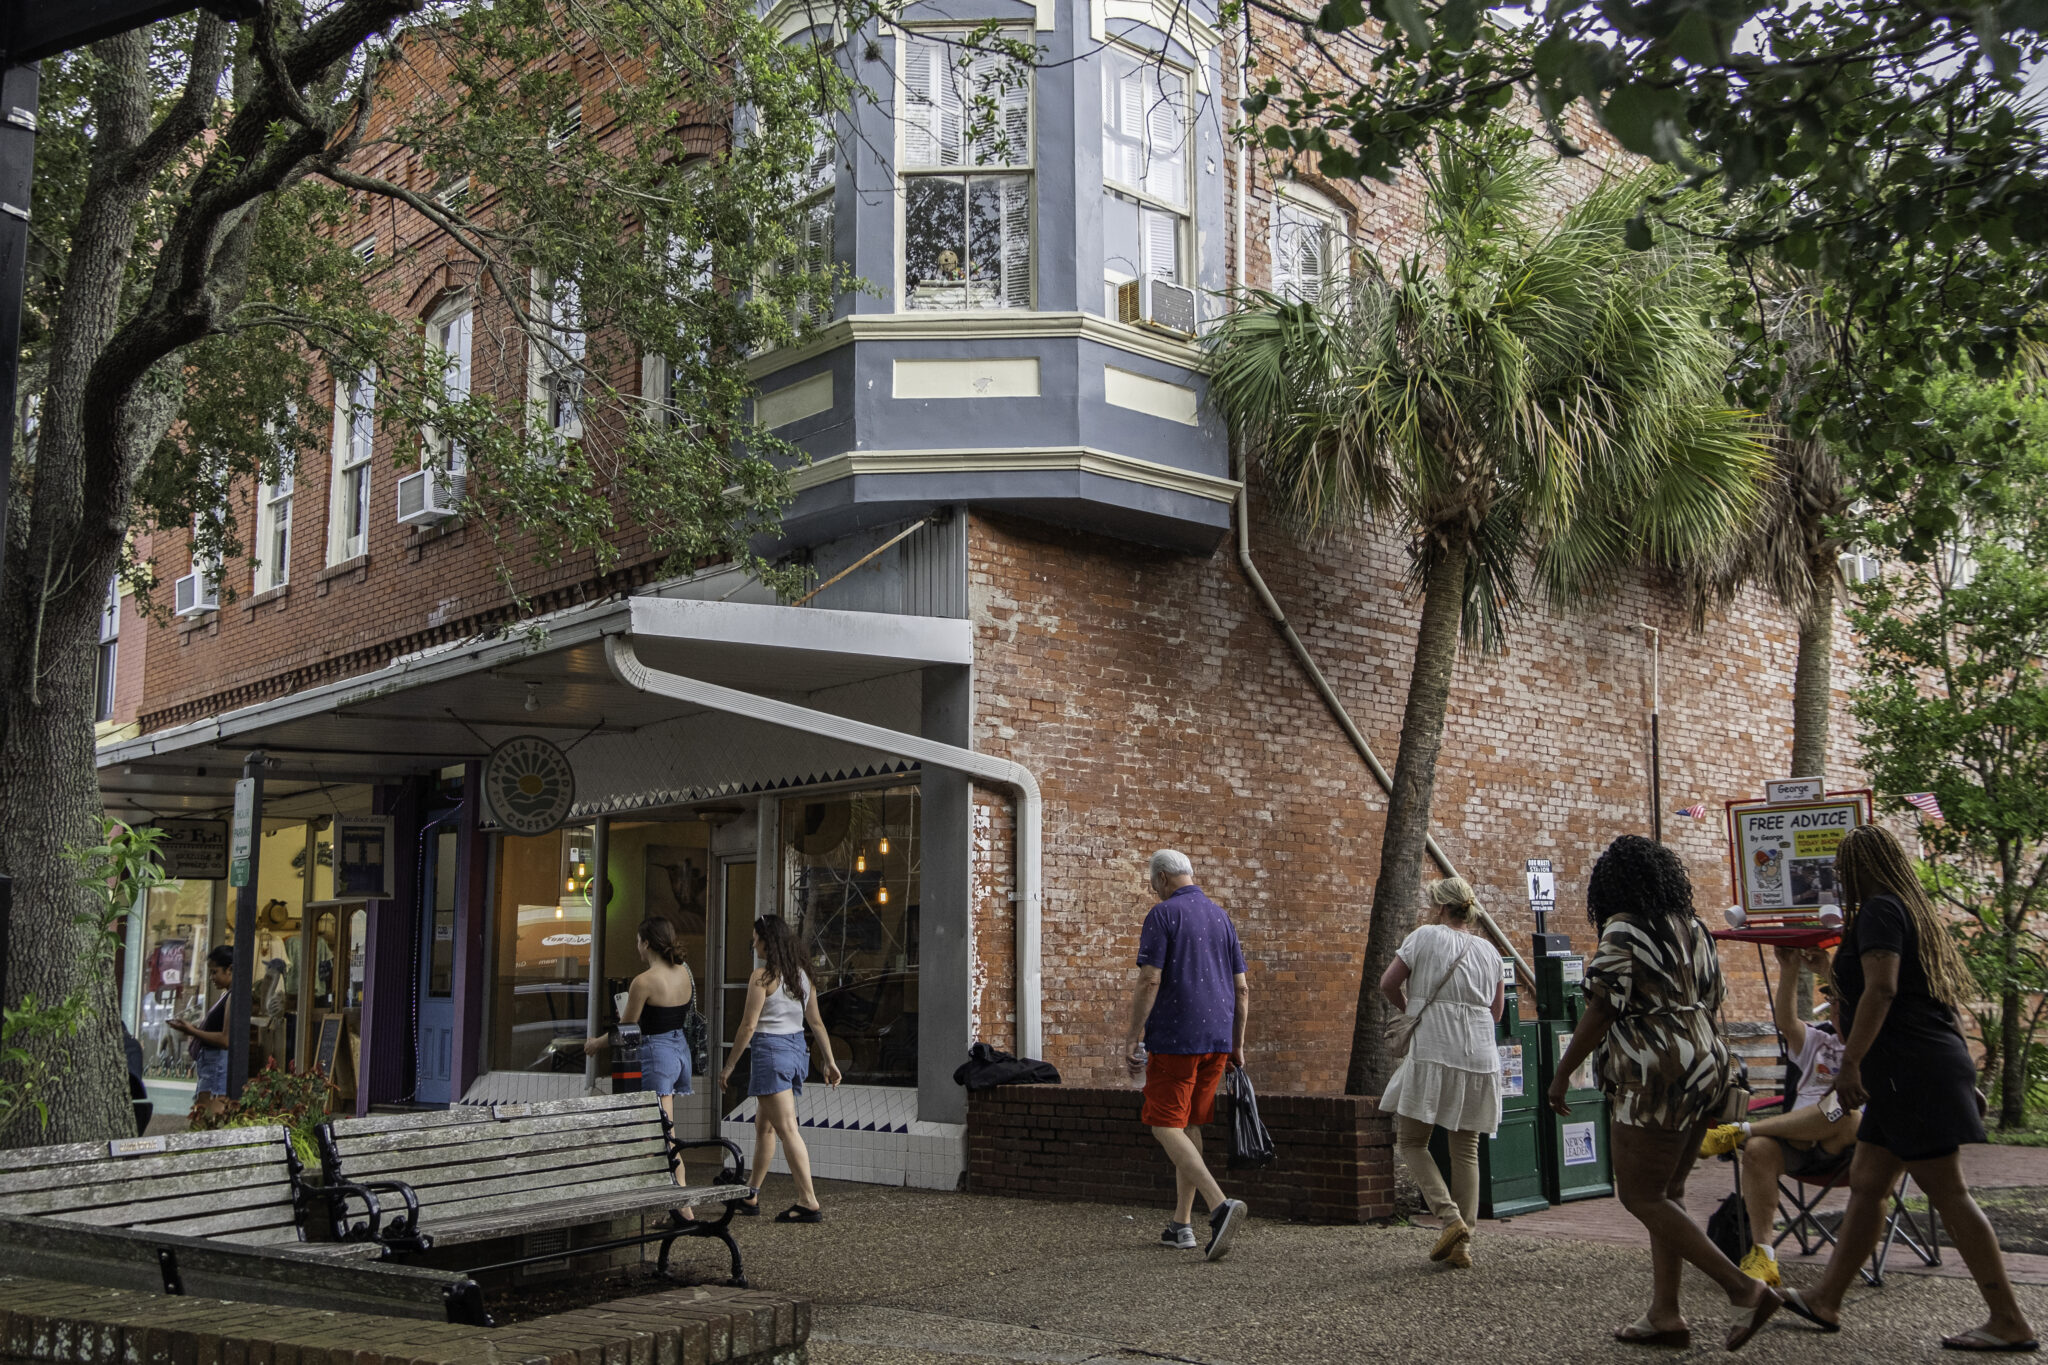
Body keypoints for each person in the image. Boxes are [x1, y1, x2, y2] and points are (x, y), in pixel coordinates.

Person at [1778, 825, 2036, 1351]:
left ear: (1857, 868)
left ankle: (2009, 1319)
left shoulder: (1878, 910)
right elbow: (1891, 995)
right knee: (1870, 1181)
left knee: (1949, 1193)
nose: (1838, 879)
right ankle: (1826, 1298)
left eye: (1842, 869)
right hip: (1917, 1069)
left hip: (1908, 1073)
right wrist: (1829, 973)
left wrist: (1851, 1066)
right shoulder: (1905, 910)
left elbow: (1884, 988)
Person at [1547, 835, 1782, 1351]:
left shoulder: (1624, 929)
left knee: (1640, 1194)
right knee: (1668, 1194)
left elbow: (1602, 1006)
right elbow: (1715, 997)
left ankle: (1744, 1288)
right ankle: (1665, 1314)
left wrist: (1563, 1073)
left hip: (1656, 1067)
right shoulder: (1695, 929)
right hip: (1706, 1060)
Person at [1698, 945, 1859, 1286]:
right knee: (1758, 1152)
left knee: (1844, 1109)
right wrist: (1789, 969)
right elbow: (1787, 1022)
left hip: (1847, 1150)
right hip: (1796, 1145)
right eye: (1832, 1011)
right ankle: (1764, 1257)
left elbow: (1865, 1002)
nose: (1835, 1017)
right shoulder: (1820, 1043)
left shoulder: (1876, 1048)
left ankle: (1741, 1131)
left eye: (1843, 1011)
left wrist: (1829, 971)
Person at [1122, 849, 1250, 1262]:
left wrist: (1132, 1036)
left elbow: (1149, 979)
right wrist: (1238, 1043)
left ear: (1161, 879)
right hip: (1217, 1040)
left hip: (1177, 1039)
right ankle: (1181, 1225)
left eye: (1151, 884)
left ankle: (1218, 1205)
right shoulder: (1221, 917)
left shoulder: (1162, 915)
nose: (1152, 891)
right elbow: (1243, 988)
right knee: (1189, 1122)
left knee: (1163, 1124)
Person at [1377, 876, 1504, 1269]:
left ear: (1439, 907)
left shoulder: (1425, 936)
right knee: (1466, 1149)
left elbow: (1388, 983)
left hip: (1434, 1047)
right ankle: (1462, 1244)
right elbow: (1496, 1012)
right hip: (1480, 1054)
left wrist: (1410, 1011)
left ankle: (1450, 1220)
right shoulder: (1490, 951)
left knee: (1413, 1141)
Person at [719, 914, 842, 1223]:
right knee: (765, 1126)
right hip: (795, 1050)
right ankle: (751, 1193)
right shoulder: (802, 976)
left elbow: (748, 1027)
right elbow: (815, 1021)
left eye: (756, 938)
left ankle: (808, 1201)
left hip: (771, 1052)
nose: (753, 943)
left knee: (787, 1128)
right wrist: (829, 1060)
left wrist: (729, 1066)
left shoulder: (761, 978)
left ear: (767, 941)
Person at [584, 916, 700, 1214]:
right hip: (679, 1054)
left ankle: (682, 1208)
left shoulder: (644, 982)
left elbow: (627, 1029)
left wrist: (595, 1044)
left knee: (659, 1136)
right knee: (665, 1132)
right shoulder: (684, 973)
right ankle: (676, 1206)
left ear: (646, 943)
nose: (636, 946)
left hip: (655, 1056)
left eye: (638, 941)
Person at [168, 945, 236, 1117]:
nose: (212, 977)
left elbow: (225, 1039)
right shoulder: (225, 995)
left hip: (216, 1063)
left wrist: (192, 1031)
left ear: (230, 969)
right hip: (210, 1062)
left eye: (215, 972)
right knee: (201, 1110)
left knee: (206, 1113)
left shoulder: (232, 997)